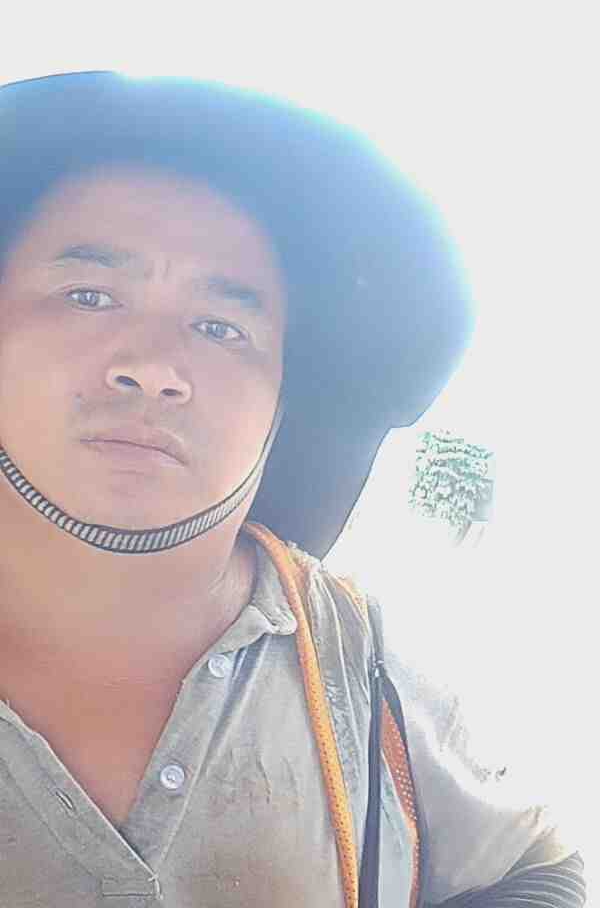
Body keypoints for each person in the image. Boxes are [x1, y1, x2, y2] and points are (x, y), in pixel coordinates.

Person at [0, 72, 585, 907]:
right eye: (89, 296)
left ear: (282, 395)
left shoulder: (361, 656)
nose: (154, 367)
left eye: (220, 327)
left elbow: (539, 865)